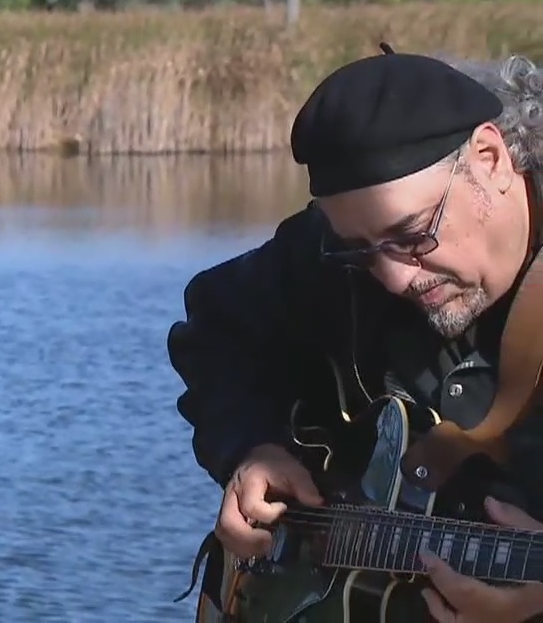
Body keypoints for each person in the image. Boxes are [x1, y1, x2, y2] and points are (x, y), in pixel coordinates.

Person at [169, 52, 543, 622]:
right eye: (360, 250)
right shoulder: (341, 249)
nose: (393, 277)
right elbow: (219, 326)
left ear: (489, 158)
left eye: (413, 236)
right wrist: (251, 447)